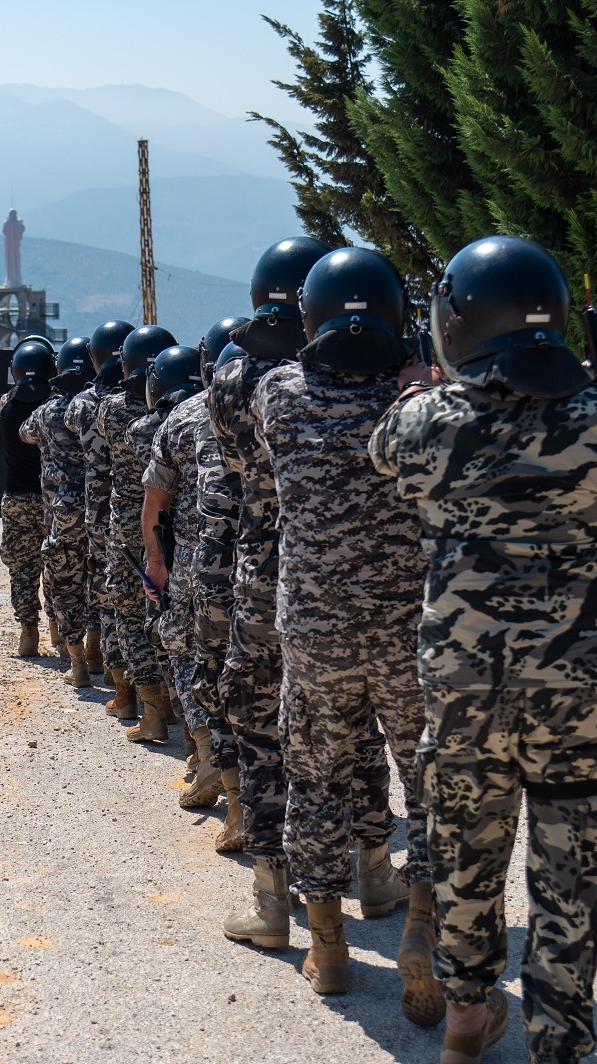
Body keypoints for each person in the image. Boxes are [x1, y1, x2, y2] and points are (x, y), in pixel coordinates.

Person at [370, 235, 597, 1064]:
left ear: (457, 322)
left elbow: (386, 456)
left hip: (465, 689)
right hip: (582, 696)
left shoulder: (421, 422)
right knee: (569, 879)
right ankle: (555, 1041)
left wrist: (427, 386)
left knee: (463, 859)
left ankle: (464, 1022)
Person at [254, 247, 435, 1017]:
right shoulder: (420, 406)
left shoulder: (277, 392)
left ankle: (327, 947)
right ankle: (421, 924)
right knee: (428, 783)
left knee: (316, 780)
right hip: (408, 627)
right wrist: (420, 381)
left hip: (315, 629)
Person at [207, 237, 345, 950]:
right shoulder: (368, 369)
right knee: (342, 735)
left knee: (261, 733)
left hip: (262, 572)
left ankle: (271, 901)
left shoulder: (236, 377)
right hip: (341, 576)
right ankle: (372, 870)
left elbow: (236, 463)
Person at [141, 343, 226, 803]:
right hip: (265, 559)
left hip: (197, 560)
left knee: (184, 648)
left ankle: (206, 751)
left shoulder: (182, 416)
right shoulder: (278, 400)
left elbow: (155, 502)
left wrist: (155, 562)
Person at [97, 324, 178, 737]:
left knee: (129, 611)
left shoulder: (112, 411)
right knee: (173, 613)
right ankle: (179, 705)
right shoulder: (187, 415)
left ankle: (149, 710)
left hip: (130, 526)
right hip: (177, 526)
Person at [189, 330, 249, 851]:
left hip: (219, 575)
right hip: (277, 579)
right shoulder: (298, 404)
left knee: (218, 681)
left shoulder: (192, 416)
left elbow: (155, 495)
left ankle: (236, 803)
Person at [67, 320, 135, 706]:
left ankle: (115, 673)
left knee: (108, 587)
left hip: (100, 506)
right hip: (144, 504)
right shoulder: (141, 398)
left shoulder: (85, 403)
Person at [20, 336, 94, 685]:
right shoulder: (99, 407)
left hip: (62, 512)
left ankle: (77, 664)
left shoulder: (48, 412)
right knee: (104, 579)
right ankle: (101, 654)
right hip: (101, 508)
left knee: (65, 581)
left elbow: (24, 434)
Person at [0, 338, 57, 656]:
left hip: (16, 498)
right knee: (59, 564)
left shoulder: (5, 403)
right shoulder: (58, 402)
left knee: (22, 568)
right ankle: (59, 630)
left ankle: (28, 632)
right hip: (54, 499)